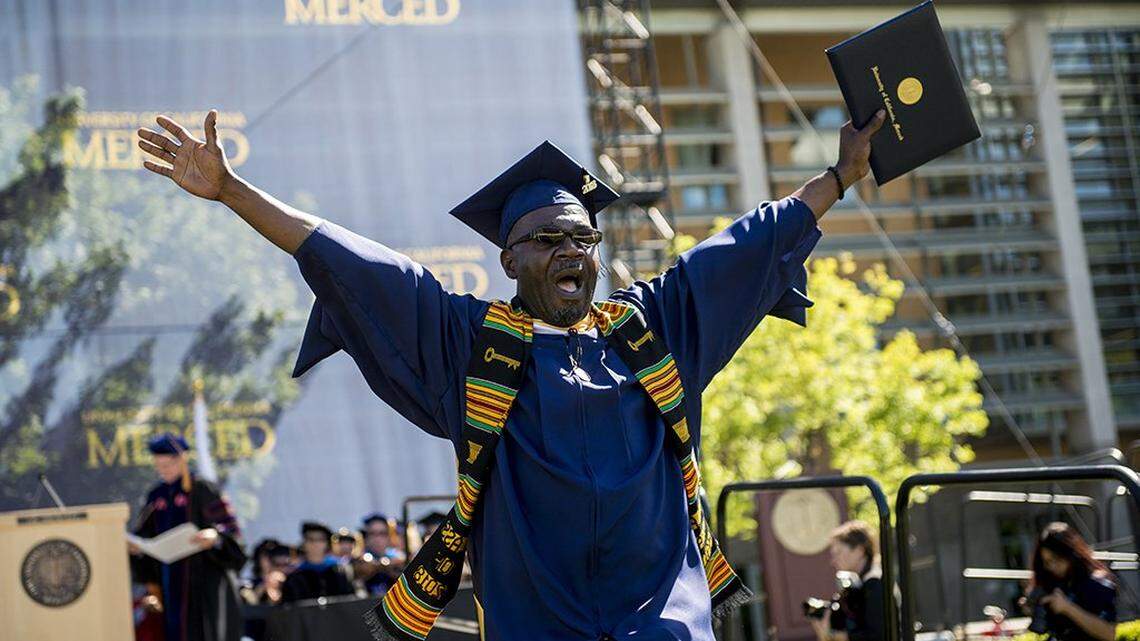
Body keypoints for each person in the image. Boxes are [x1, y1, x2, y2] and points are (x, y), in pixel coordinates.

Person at [136, 107, 883, 641]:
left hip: (661, 623)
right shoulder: (474, 346)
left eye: (582, 236)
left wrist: (839, 175)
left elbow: (749, 245)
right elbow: (356, 265)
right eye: (547, 238)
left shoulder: (651, 329)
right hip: (539, 624)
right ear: (510, 259)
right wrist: (234, 192)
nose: (570, 250)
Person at [130, 433, 246, 641]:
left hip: (205, 582)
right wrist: (138, 548)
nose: (163, 471)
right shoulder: (156, 496)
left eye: (167, 465)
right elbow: (144, 536)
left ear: (182, 460)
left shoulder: (203, 489)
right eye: (159, 465)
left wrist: (216, 537)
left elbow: (231, 533)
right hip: (170, 583)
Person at [1027, 522, 1116, 641]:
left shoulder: (1097, 584)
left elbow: (1109, 634)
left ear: (1070, 554)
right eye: (1047, 562)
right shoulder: (1056, 585)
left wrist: (1067, 607)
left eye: (1057, 559)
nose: (1053, 566)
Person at [808, 521, 885, 641]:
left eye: (838, 553)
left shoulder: (874, 584)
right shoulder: (867, 582)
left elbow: (878, 635)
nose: (833, 561)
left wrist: (832, 636)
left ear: (859, 551)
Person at [280, 521, 357, 603]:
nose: (315, 544)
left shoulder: (340, 571)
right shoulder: (295, 577)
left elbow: (349, 601)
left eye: (320, 540)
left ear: (327, 544)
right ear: (304, 543)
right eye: (310, 539)